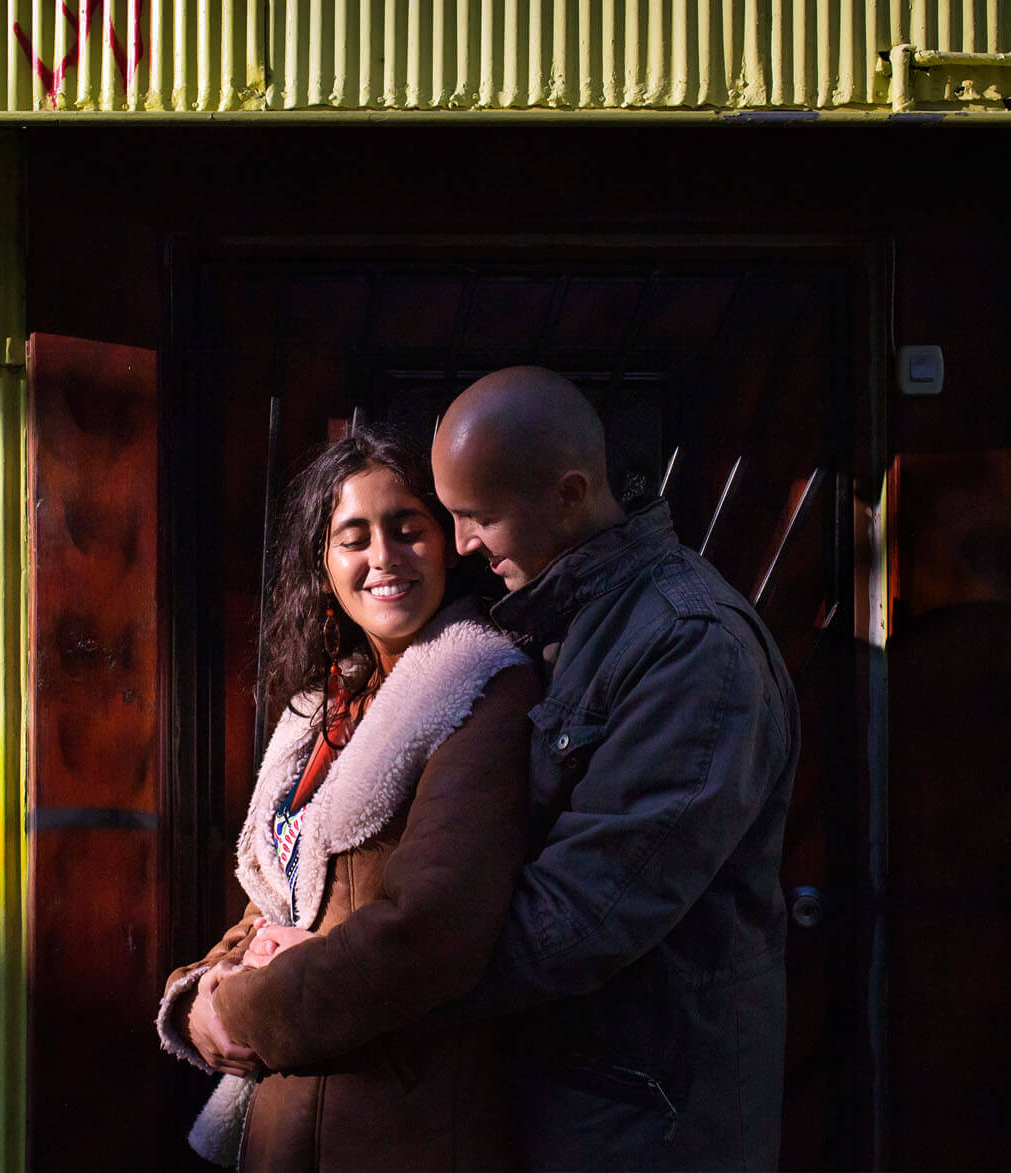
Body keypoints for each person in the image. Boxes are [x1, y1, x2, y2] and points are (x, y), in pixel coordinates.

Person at [429, 366, 801, 1171]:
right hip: (584, 1105)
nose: (460, 544)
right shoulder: (560, 621)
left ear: (568, 494)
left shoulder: (691, 647)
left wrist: (370, 981)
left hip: (647, 1126)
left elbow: (579, 920)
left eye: (479, 517)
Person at [155, 426, 540, 1169]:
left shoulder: (486, 688)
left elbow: (426, 932)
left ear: (449, 542)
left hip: (401, 1121)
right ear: (323, 565)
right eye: (353, 538)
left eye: (407, 529)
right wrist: (202, 994)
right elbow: (279, 899)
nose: (383, 558)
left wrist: (240, 1011)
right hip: (285, 1116)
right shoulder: (325, 707)